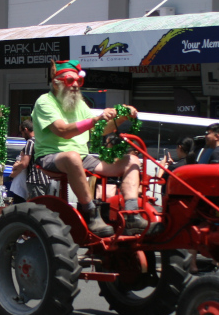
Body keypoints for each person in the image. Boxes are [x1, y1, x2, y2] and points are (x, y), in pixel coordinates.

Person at [32, 60, 146, 237]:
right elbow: (63, 131)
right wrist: (95, 119)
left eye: (79, 81)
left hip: (82, 156)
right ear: (56, 83)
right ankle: (92, 213)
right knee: (72, 157)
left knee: (131, 160)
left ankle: (132, 214)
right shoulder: (44, 101)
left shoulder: (79, 103)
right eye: (71, 81)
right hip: (50, 156)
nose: (76, 85)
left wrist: (122, 117)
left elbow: (100, 130)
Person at [7, 120, 39, 203]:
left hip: (34, 179)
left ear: (26, 129)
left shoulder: (30, 142)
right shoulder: (39, 141)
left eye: (21, 132)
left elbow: (24, 164)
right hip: (44, 178)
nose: (21, 135)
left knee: (34, 207)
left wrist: (15, 166)